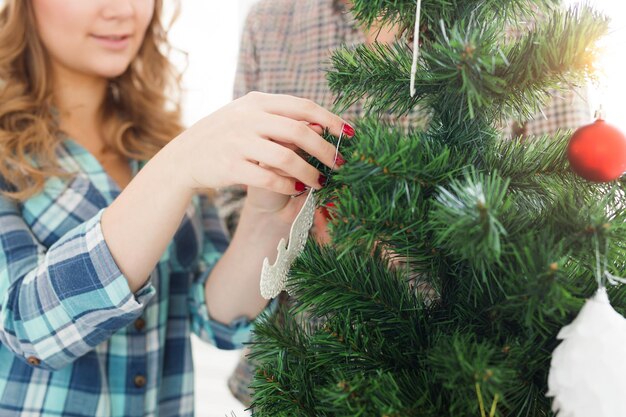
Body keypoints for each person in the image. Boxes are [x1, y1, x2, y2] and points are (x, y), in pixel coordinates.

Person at [222, 0, 592, 407]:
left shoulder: (528, 19)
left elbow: (567, 216)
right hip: (302, 377)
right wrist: (300, 230)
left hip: (463, 380)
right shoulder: (269, 24)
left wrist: (422, 233)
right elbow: (237, 205)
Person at [0, 1, 353, 416]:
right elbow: (28, 329)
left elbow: (217, 318)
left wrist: (267, 213)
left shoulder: (156, 138)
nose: (122, 10)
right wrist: (175, 168)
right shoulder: (175, 156)